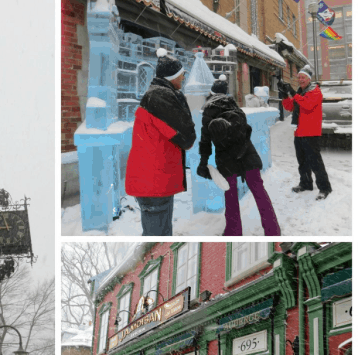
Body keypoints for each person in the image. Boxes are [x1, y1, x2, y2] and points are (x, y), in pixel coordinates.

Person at [197, 75, 280, 236]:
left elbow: (205, 140)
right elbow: (246, 130)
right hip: (247, 153)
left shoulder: (209, 109)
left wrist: (203, 162)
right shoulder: (234, 106)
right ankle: (273, 230)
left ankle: (233, 232)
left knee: (231, 195)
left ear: (211, 92)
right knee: (260, 193)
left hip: (226, 158)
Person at [125, 47, 196, 235]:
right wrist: (181, 100)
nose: (183, 78)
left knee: (157, 234)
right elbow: (187, 137)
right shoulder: (161, 97)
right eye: (181, 74)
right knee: (158, 237)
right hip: (154, 184)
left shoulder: (157, 95)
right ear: (171, 76)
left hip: (154, 183)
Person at [279, 66, 332, 200]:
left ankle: (325, 188)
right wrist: (285, 94)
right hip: (299, 132)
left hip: (310, 132)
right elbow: (290, 106)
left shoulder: (315, 91)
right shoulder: (300, 93)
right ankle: (306, 183)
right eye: (299, 77)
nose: (301, 80)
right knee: (302, 161)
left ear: (309, 79)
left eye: (303, 77)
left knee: (315, 162)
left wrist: (293, 93)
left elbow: (307, 105)